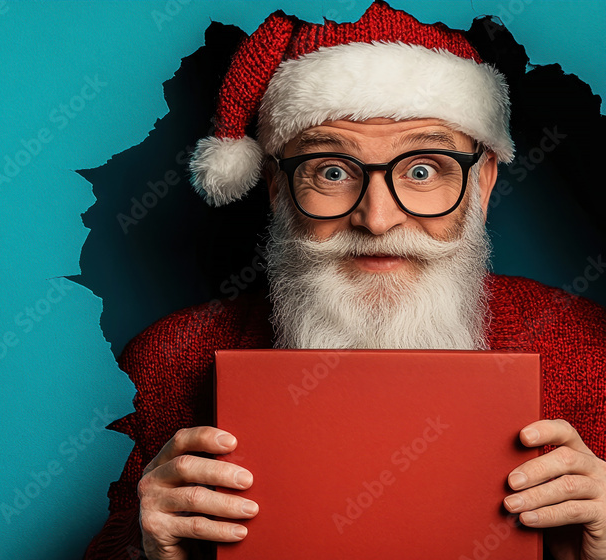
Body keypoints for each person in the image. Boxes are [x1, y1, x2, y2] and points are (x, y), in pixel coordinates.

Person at [82, 2, 606, 559]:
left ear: (481, 186)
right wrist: (146, 550)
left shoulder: (591, 351)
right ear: (277, 189)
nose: (378, 220)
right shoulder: (166, 361)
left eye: (423, 170)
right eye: (332, 171)